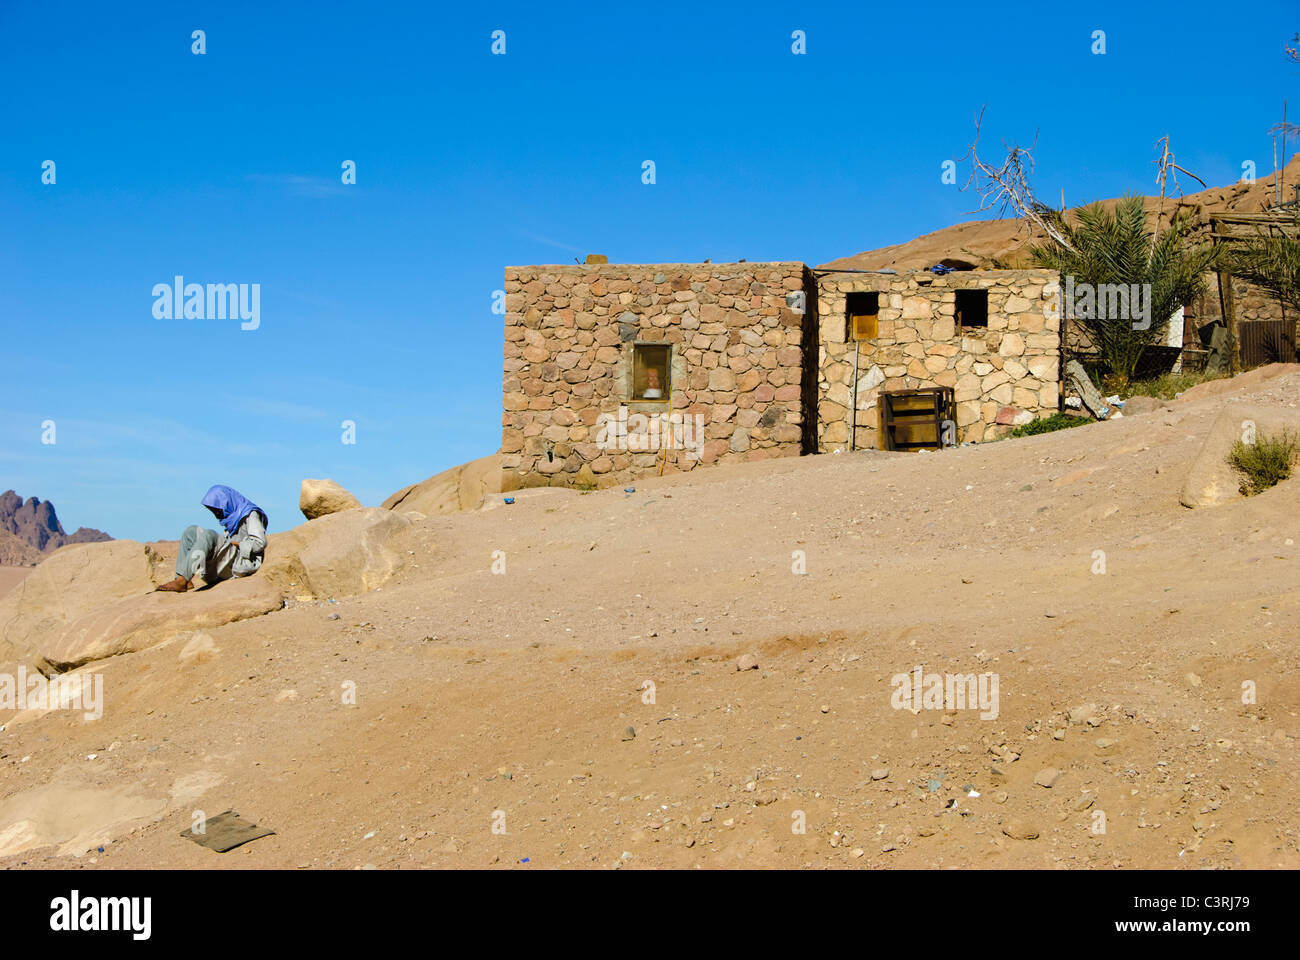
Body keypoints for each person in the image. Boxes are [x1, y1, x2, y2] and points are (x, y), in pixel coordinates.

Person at [156, 485, 269, 592]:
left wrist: (235, 543)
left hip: (241, 564)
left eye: (217, 509)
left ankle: (181, 581)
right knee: (191, 532)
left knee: (210, 535)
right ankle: (183, 579)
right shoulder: (231, 517)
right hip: (226, 564)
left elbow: (260, 543)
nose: (216, 513)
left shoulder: (251, 514)